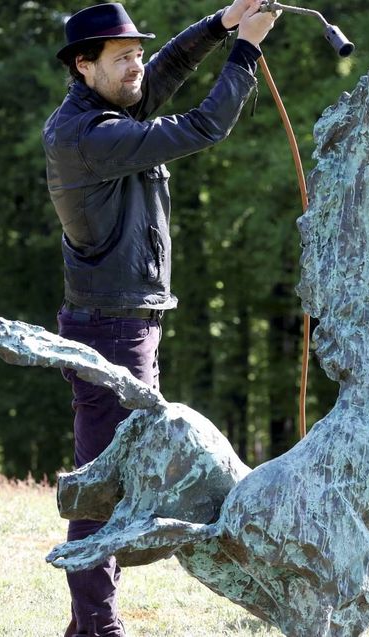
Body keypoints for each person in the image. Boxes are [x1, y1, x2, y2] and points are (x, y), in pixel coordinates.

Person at [42, 2, 279, 635]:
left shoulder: (109, 112)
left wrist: (220, 22)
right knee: (103, 486)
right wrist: (246, 52)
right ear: (83, 66)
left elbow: (169, 66)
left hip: (125, 325)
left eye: (135, 52)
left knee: (116, 481)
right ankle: (96, 625)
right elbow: (204, 125)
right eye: (121, 58)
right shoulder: (90, 137)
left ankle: (89, 623)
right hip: (110, 332)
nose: (135, 66)